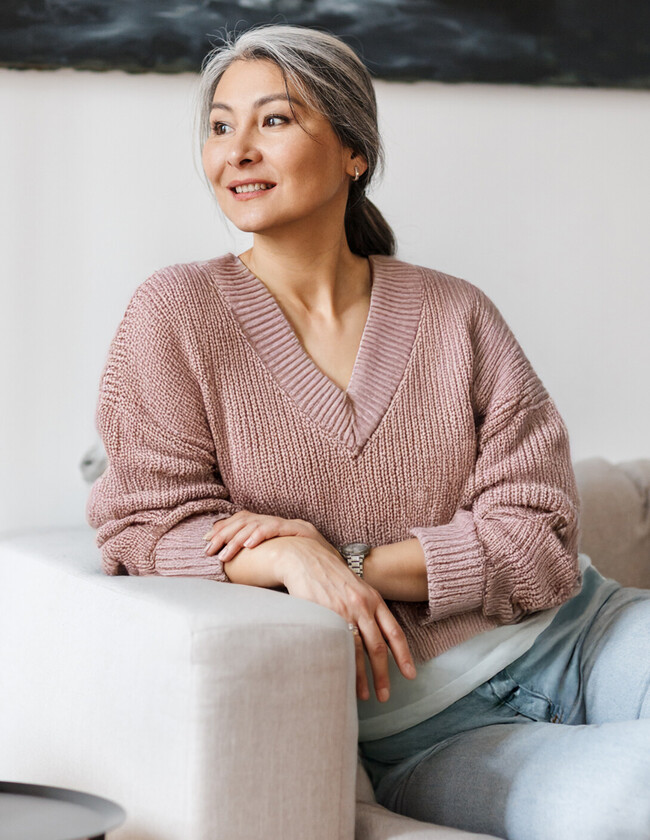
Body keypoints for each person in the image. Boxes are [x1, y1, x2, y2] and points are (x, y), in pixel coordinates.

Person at [86, 23, 650, 840]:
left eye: (273, 120)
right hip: (431, 735)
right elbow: (140, 527)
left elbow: (541, 538)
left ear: (354, 151)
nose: (237, 149)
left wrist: (348, 566)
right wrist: (285, 554)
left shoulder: (454, 311)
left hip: (586, 635)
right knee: (625, 801)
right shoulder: (174, 315)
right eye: (219, 125)